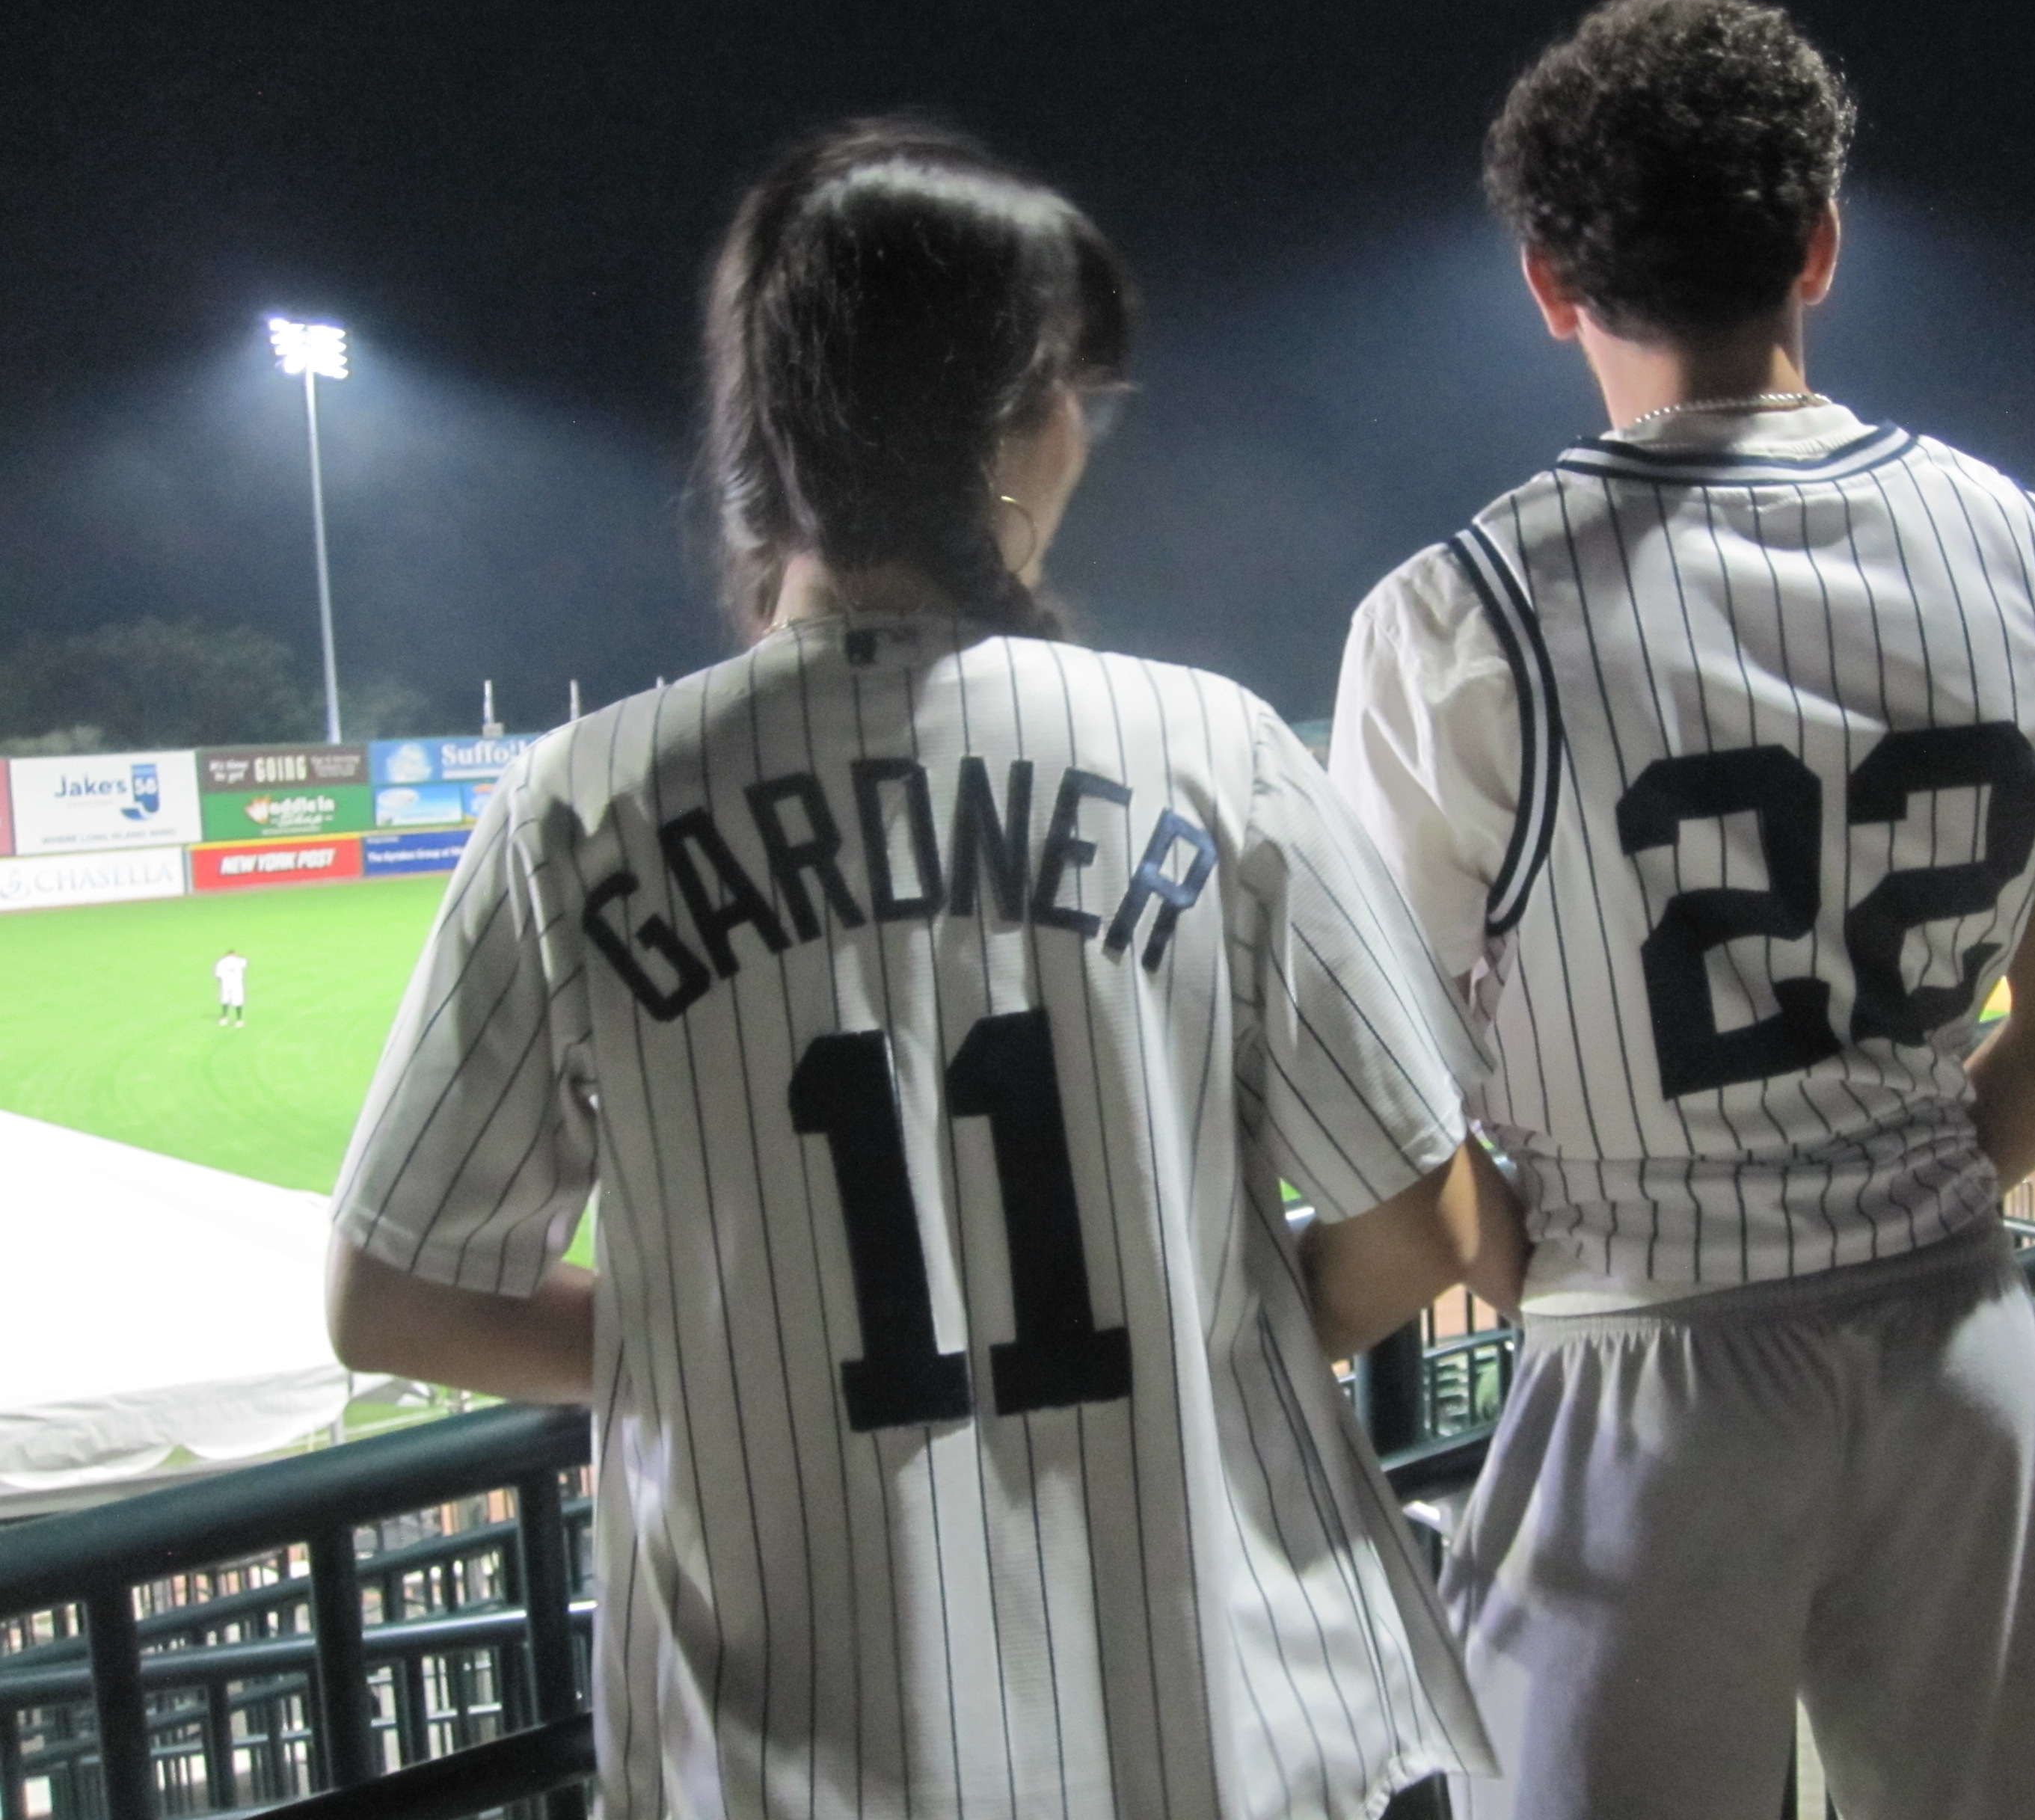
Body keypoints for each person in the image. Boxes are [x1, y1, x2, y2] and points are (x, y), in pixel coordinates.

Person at [324, 121, 1520, 1820]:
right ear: (1011, 420)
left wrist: (726, 1344)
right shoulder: (1214, 752)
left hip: (785, 1759)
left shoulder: (578, 807)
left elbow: (392, 1297)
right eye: (1073, 395)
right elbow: (1428, 1225)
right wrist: (1199, 1329)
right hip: (1219, 1722)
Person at [1326, 0, 2035, 1816]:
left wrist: (1544, 1274)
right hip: (1958, 1342)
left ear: (1548, 283)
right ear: (1820, 244)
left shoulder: (1454, 615)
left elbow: (1394, 1121)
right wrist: (1890, 1201)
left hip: (1639, 1371)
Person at [213, 948, 247, 1027]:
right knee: (238, 1001)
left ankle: (224, 1019)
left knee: (225, 1000)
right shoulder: (238, 961)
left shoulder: (221, 962)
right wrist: (238, 956)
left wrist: (221, 984)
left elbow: (218, 975)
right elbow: (245, 962)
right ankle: (239, 1021)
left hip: (225, 984)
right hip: (237, 985)